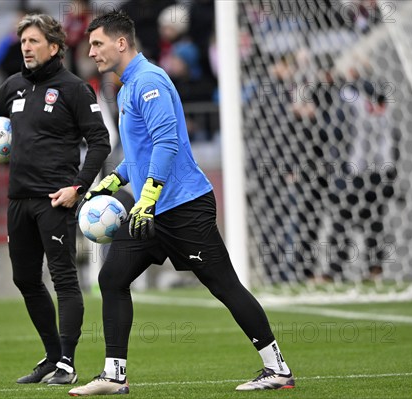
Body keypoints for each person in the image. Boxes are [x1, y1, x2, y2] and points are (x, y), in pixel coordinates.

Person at [68, 11, 295, 396]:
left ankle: (277, 369)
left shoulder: (150, 80)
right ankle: (114, 375)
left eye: (97, 44)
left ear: (121, 43)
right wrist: (114, 179)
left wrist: (150, 195)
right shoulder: (126, 88)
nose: (91, 52)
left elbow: (167, 143)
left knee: (224, 286)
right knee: (112, 278)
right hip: (150, 210)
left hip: (184, 207)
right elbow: (141, 152)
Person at [0, 14, 111, 385]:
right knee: (25, 278)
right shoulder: (13, 86)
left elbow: (100, 141)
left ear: (54, 47)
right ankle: (52, 356)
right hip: (18, 199)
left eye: (33, 41)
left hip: (55, 200)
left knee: (63, 280)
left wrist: (78, 187)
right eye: (23, 41)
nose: (25, 47)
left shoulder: (75, 89)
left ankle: (68, 365)